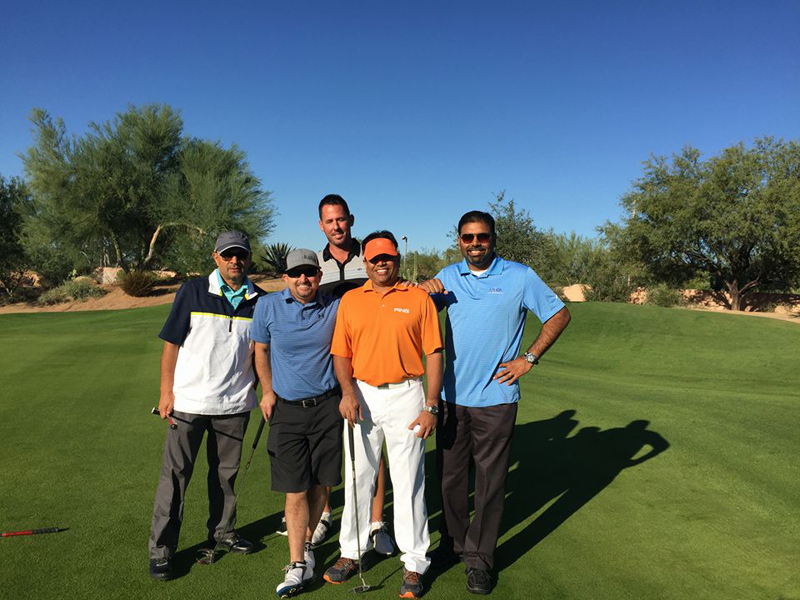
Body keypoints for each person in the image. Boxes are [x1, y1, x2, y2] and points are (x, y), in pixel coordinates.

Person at [419, 211, 571, 595]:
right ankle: (452, 545)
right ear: (459, 240)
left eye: (482, 237)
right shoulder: (449, 276)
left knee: (490, 483)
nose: (475, 244)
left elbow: (559, 314)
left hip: (496, 399)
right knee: (450, 478)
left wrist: (529, 358)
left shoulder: (519, 276)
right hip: (451, 397)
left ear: (493, 238)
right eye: (468, 237)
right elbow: (413, 313)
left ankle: (479, 559)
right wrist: (422, 290)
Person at [323, 231, 443, 600]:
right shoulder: (351, 300)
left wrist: (431, 405)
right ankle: (351, 551)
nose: (381, 264)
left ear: (397, 259)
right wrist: (347, 392)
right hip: (362, 394)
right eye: (374, 259)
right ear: (365, 262)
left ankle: (414, 561)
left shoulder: (418, 298)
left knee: (408, 481)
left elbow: (434, 353)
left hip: (407, 393)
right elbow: (341, 352)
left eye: (387, 257)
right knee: (358, 476)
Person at [148, 231, 264, 581]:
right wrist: (166, 392)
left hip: (234, 405)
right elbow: (171, 344)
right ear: (216, 257)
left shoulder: (260, 300)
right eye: (228, 255)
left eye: (240, 255)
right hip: (189, 402)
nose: (235, 261)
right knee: (175, 477)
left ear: (249, 258)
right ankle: (162, 550)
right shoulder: (193, 291)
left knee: (225, 476)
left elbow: (262, 352)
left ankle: (223, 531)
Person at [251, 249, 343, 597]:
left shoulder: (334, 306)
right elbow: (261, 350)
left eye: (309, 272)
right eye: (296, 273)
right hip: (287, 409)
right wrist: (267, 391)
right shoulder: (268, 306)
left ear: (319, 275)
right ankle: (297, 563)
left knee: (321, 483)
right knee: (296, 487)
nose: (303, 279)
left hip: (327, 407)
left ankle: (305, 544)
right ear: (286, 277)